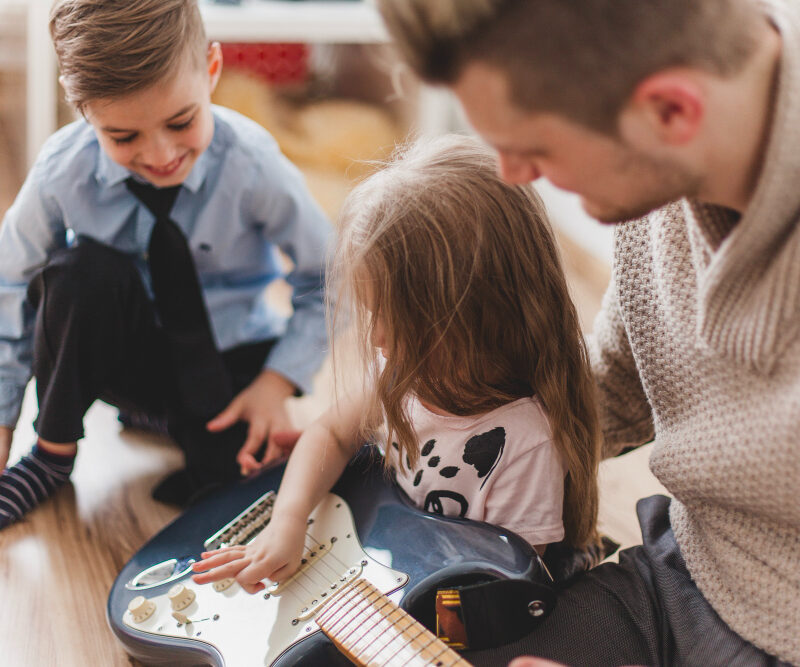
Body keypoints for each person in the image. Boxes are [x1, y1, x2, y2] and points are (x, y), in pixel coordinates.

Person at [374, 0, 800, 666]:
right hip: (680, 572)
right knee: (420, 640)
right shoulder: (657, 194)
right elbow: (615, 389)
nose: (512, 174)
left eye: (534, 148)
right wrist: (411, 412)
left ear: (671, 111)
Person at [191, 133, 602, 593]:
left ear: (476, 315)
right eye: (373, 314)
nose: (377, 339)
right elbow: (330, 433)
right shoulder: (404, 373)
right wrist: (287, 521)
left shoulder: (527, 442)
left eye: (397, 320)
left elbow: (505, 586)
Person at [0, 0, 332, 527]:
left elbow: (330, 277)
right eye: (123, 136)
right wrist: (3, 418)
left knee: (237, 482)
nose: (159, 155)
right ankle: (52, 454)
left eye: (181, 121)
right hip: (126, 355)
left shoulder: (252, 163)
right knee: (77, 274)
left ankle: (169, 419)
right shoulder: (63, 171)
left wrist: (276, 382)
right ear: (83, 110)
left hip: (228, 361)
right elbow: (11, 284)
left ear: (212, 69)